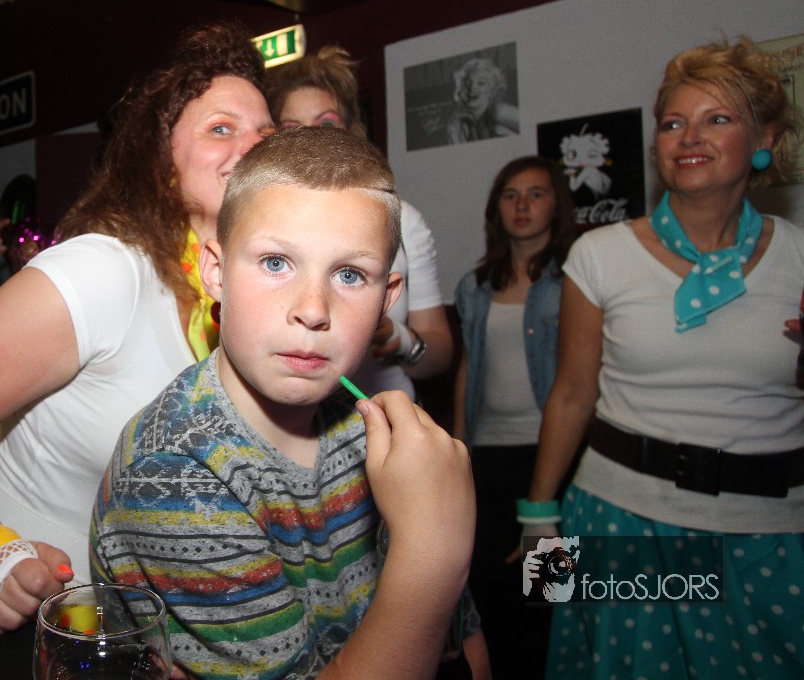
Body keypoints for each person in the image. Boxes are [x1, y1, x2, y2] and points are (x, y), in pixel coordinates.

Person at [0, 21, 274, 637]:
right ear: (160, 163)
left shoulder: (262, 302)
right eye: (221, 128)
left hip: (143, 636)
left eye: (266, 133)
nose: (253, 145)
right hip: (27, 623)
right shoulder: (104, 271)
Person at [91, 127, 485, 680]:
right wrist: (433, 553)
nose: (313, 309)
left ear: (387, 300)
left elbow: (460, 641)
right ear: (215, 272)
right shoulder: (175, 471)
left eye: (349, 275)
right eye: (276, 263)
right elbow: (428, 592)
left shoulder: (375, 433)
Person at [524, 38, 804, 678]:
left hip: (769, 530)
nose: (689, 137)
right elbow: (571, 395)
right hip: (618, 519)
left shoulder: (799, 257)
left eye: (717, 119)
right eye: (673, 123)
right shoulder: (600, 254)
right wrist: (537, 522)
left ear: (764, 139)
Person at [268, 45, 453, 402]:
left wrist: (397, 337)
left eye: (326, 123)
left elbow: (440, 356)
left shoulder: (402, 219)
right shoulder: (258, 223)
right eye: (292, 127)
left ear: (351, 130)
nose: (313, 137)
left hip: (385, 421)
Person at [452, 156, 576, 678]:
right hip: (488, 461)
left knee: (547, 598)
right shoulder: (474, 286)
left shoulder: (575, 282)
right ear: (496, 209)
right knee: (488, 593)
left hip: (551, 461)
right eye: (510, 195)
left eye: (536, 194)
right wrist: (459, 453)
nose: (522, 205)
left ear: (556, 207)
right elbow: (467, 369)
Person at [447, 58, 518, 144]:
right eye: (467, 83)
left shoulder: (498, 111)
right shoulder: (458, 123)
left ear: (493, 91)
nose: (472, 87)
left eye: (481, 83)